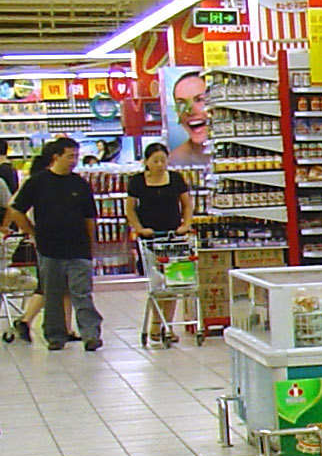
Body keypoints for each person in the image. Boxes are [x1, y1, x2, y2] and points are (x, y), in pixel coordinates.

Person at [2, 138, 104, 351]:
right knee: (53, 294)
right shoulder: (38, 183)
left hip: (78, 248)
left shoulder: (80, 184)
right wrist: (32, 232)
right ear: (56, 157)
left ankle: (91, 334)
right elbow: (16, 210)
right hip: (49, 249)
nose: (73, 161)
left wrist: (90, 246)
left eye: (76, 156)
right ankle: (56, 335)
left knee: (82, 293)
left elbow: (89, 218)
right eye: (70, 156)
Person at [125, 141, 192, 240]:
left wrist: (186, 225)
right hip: (148, 234)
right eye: (155, 161)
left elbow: (187, 204)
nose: (160, 164)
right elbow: (130, 209)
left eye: (163, 161)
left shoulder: (176, 178)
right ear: (146, 162)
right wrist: (139, 229)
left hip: (174, 233)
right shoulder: (137, 181)